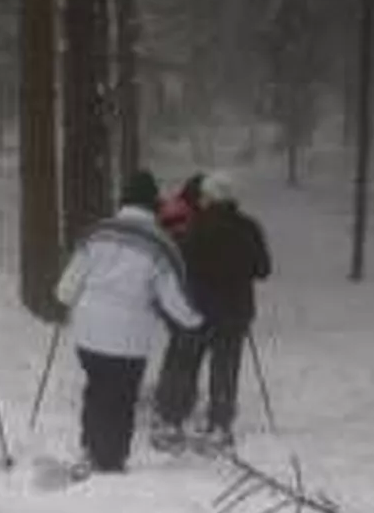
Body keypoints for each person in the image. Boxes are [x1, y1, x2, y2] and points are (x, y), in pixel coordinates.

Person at [55, 170, 201, 476]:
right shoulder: (159, 243)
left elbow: (66, 288)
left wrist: (67, 298)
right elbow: (173, 297)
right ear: (152, 203)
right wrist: (194, 320)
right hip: (128, 339)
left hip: (89, 333)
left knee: (96, 389)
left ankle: (90, 450)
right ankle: (111, 461)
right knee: (121, 397)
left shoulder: (97, 233)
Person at [153, 172, 271, 452]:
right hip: (236, 310)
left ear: (208, 198)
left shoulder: (195, 227)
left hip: (199, 309)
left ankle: (172, 422)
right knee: (225, 367)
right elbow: (263, 269)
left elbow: (182, 266)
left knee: (186, 365)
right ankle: (219, 425)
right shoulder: (249, 227)